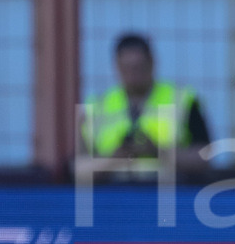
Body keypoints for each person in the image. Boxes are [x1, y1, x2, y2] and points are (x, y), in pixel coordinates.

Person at [82, 33, 211, 174]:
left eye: (138, 68)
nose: (133, 75)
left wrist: (157, 151)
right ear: (117, 66)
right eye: (127, 68)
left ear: (152, 62)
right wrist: (115, 158)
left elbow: (204, 157)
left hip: (170, 191)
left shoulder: (183, 100)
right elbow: (79, 169)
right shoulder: (97, 106)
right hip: (114, 191)